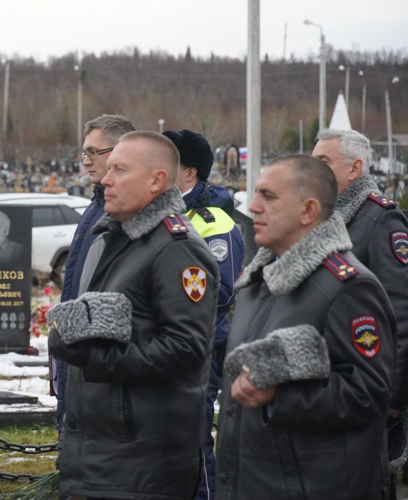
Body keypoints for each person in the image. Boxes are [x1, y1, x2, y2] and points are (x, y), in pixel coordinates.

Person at [49, 131, 219, 499]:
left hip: (139, 464)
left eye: (119, 170)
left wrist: (94, 358)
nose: (105, 179)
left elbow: (185, 349)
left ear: (157, 180)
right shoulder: (119, 240)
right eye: (107, 169)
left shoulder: (178, 249)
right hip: (101, 454)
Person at [216, 155, 394, 499]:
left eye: (268, 196)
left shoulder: (348, 285)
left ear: (308, 211)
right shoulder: (257, 281)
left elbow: (370, 394)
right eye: (255, 194)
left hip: (310, 486)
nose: (253, 206)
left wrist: (280, 398)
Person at [312, 128, 408, 498]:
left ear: (354, 169)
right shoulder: (327, 217)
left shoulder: (381, 220)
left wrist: (393, 400)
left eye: (324, 162)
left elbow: (400, 314)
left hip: (369, 391)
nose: (314, 168)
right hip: (332, 390)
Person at [164, 128, 244, 500]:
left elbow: (220, 292)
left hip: (201, 346)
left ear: (190, 172)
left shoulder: (214, 221)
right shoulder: (166, 212)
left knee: (194, 439)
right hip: (167, 346)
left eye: (169, 161)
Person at [51, 114, 135, 429]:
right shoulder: (96, 206)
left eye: (92, 152)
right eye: (84, 153)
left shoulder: (124, 211)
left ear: (121, 151)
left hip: (99, 363)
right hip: (77, 352)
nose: (85, 161)